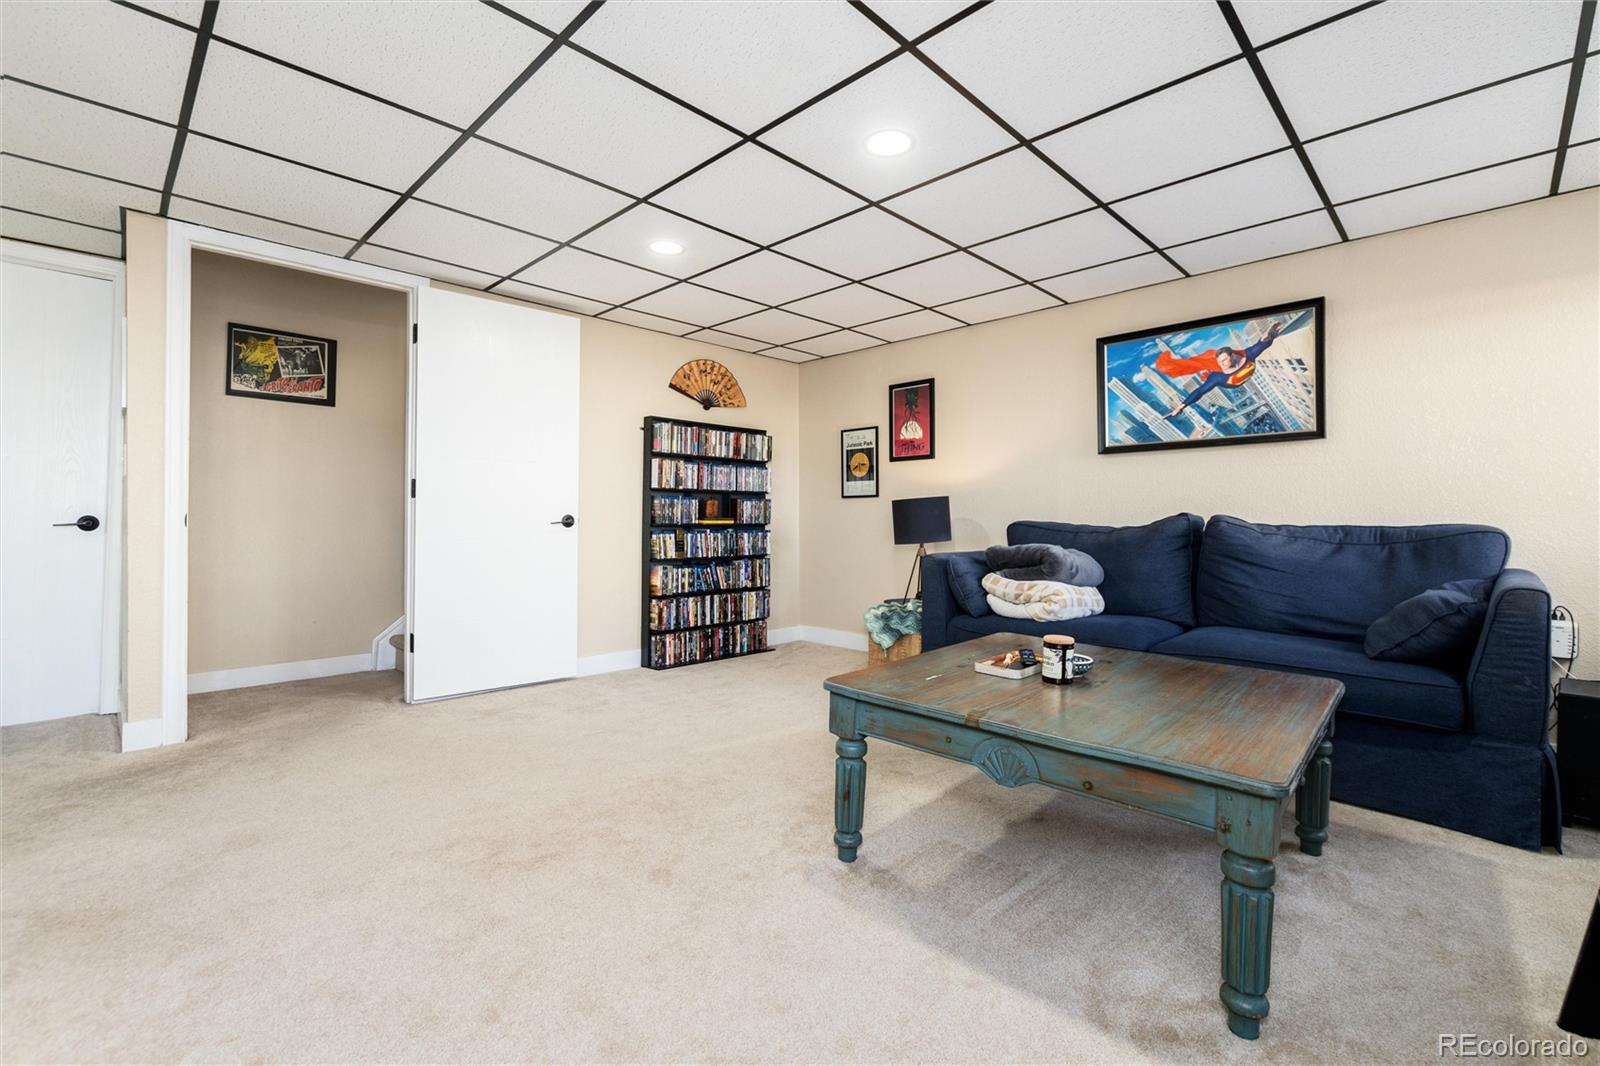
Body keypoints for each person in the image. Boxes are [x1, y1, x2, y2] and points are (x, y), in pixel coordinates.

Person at [1156, 318, 1284, 417]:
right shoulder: (1217, 377)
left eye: (1224, 360)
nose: (1221, 363)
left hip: (1244, 369)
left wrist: (1270, 334)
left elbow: (1263, 343)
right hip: (1230, 383)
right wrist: (1181, 406)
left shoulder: (1248, 355)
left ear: (1232, 356)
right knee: (1209, 370)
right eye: (1219, 361)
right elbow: (1200, 391)